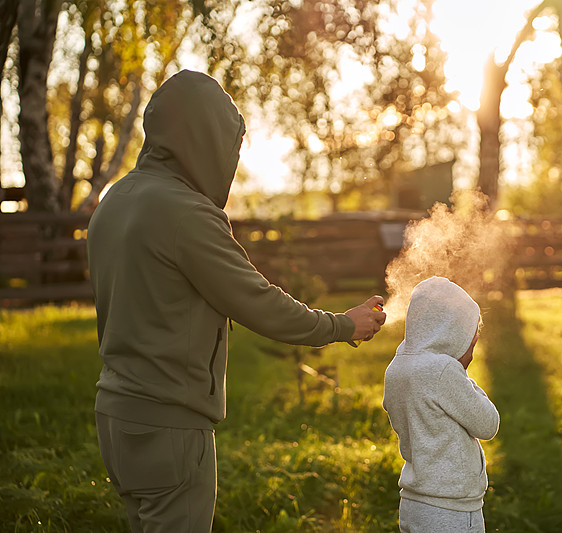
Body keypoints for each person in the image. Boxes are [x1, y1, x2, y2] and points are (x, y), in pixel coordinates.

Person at [86, 70, 386, 532]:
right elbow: (258, 301)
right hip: (171, 426)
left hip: (117, 416)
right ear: (203, 138)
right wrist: (343, 326)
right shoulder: (187, 213)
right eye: (230, 146)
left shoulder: (115, 200)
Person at [382, 276, 500, 533]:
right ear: (449, 333)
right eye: (470, 345)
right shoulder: (442, 371)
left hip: (414, 503)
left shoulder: (397, 367)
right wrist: (462, 375)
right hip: (451, 511)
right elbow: (488, 423)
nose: (470, 355)